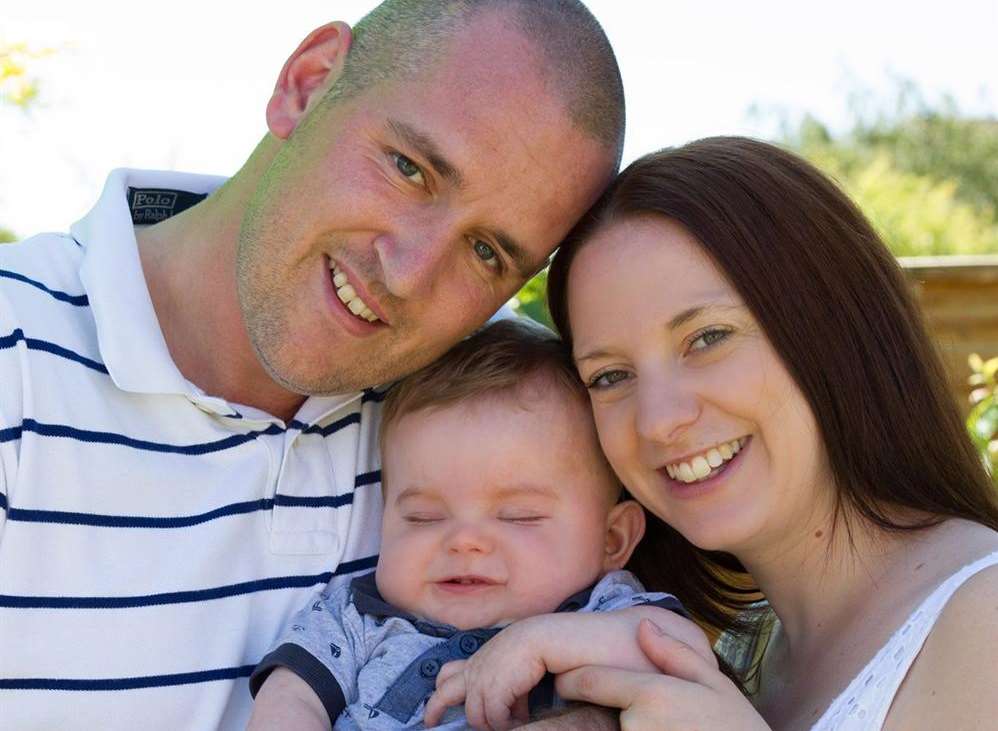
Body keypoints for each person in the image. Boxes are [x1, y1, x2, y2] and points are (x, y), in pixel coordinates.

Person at [0, 2, 624, 728]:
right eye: (409, 168)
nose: (409, 273)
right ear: (307, 81)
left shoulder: (516, 409)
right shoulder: (17, 354)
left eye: (486, 253)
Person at [543, 136, 998, 730]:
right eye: (609, 376)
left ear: (836, 324)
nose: (658, 419)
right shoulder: (733, 654)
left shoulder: (983, 617)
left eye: (707, 338)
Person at [244, 319, 711, 730]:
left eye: (518, 516)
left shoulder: (604, 612)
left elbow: (682, 650)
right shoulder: (358, 619)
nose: (464, 541)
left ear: (612, 539)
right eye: (423, 517)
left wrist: (538, 643)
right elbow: (292, 693)